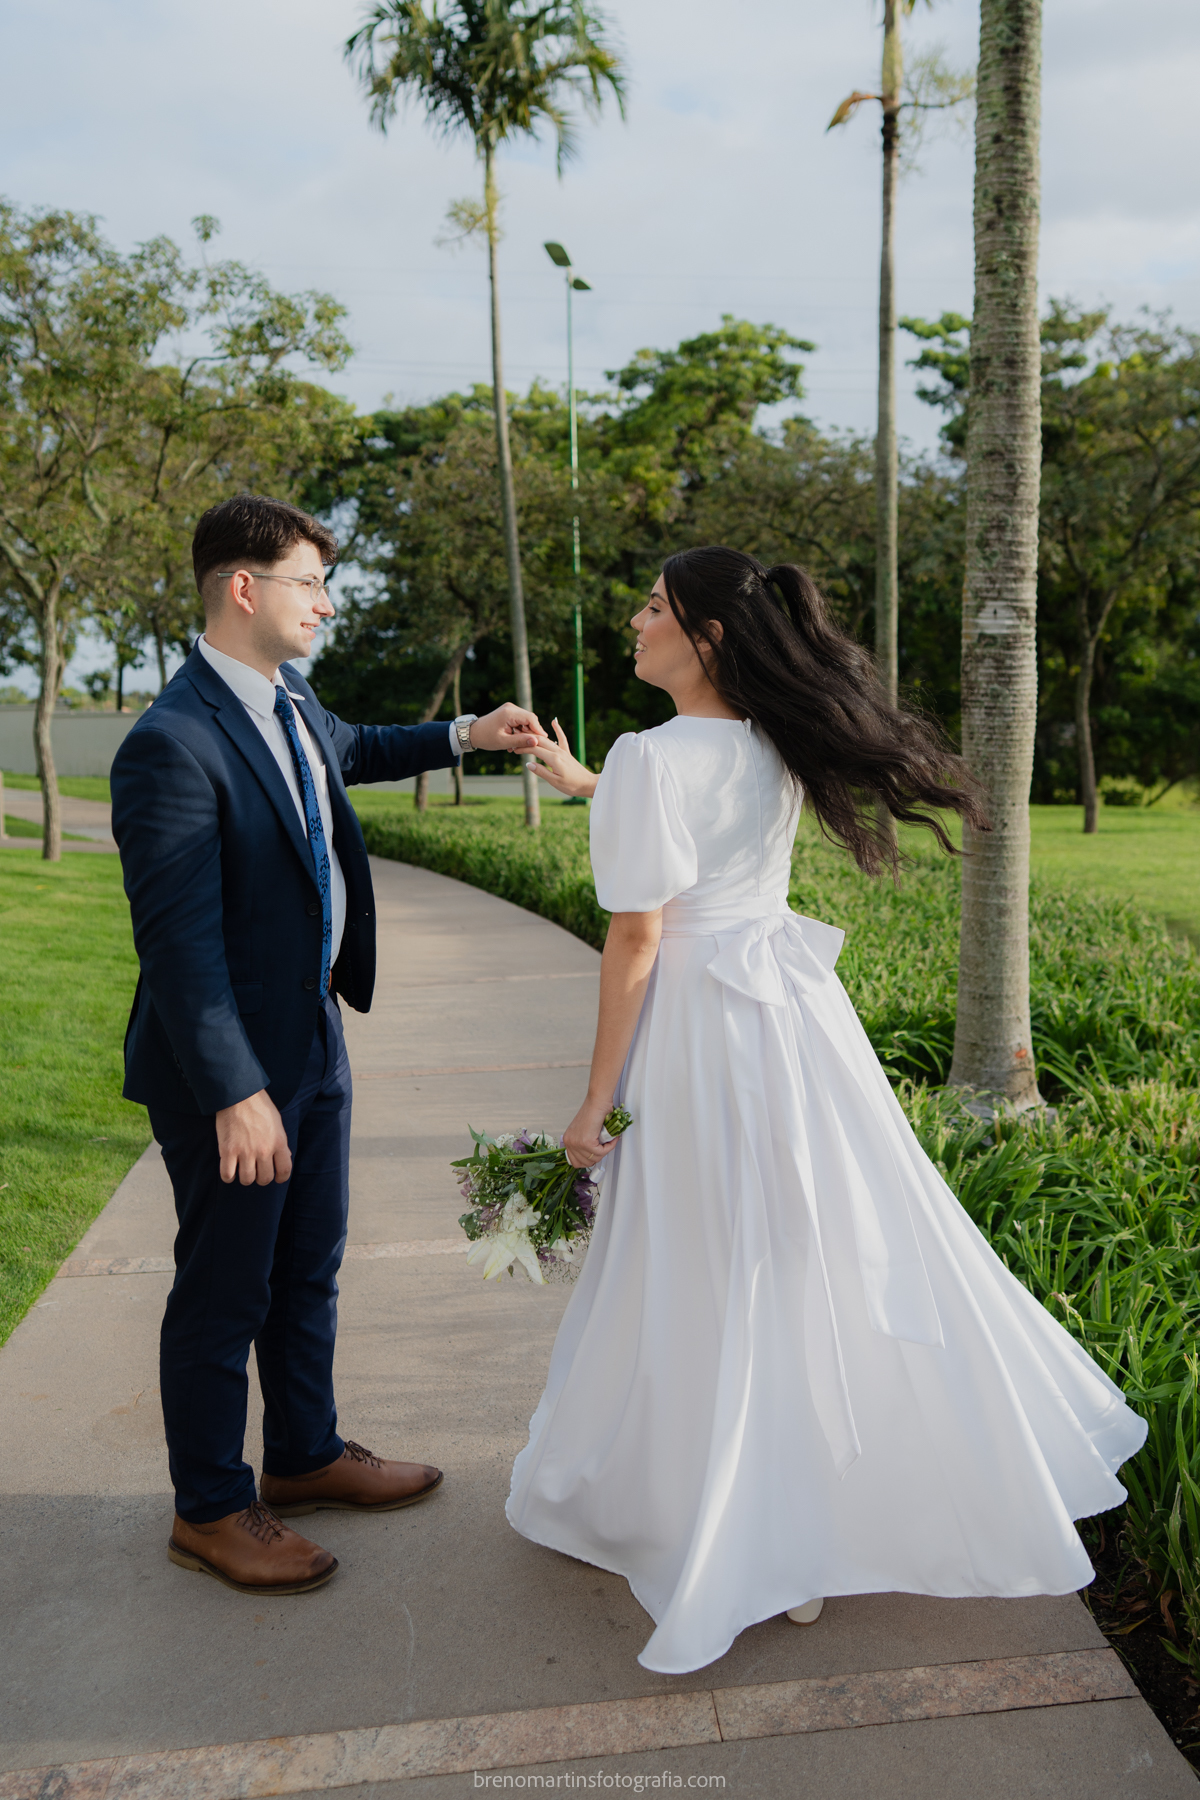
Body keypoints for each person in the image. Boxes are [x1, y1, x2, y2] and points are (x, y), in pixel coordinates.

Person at [507, 545, 1147, 1675]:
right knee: (802, 1252)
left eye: (652, 608)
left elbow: (642, 932)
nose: (634, 623)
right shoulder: (770, 743)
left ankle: (749, 1529)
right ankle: (803, 1519)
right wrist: (586, 785)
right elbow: (696, 827)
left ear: (705, 638)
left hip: (701, 1029)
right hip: (792, 1022)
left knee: (701, 1261)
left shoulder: (653, 756)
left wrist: (594, 1100)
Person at [111, 493, 542, 1597]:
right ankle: (209, 1506)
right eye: (310, 582)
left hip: (312, 1037)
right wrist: (234, 1090)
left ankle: (302, 1456)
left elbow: (350, 749)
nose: (327, 603)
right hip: (234, 1077)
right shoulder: (171, 744)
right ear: (242, 588)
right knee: (224, 1291)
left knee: (310, 1268)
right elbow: (178, 948)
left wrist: (464, 735)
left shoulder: (288, 699)